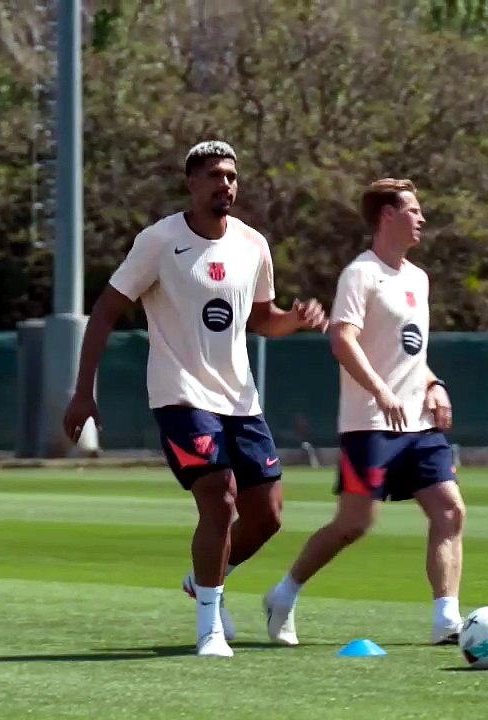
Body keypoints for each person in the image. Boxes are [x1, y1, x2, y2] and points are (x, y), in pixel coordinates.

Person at [62, 140, 328, 658]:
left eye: (231, 175)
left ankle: (204, 578)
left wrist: (294, 321)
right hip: (180, 395)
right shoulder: (160, 240)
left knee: (268, 516)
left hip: (240, 400)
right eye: (213, 175)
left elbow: (261, 318)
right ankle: (210, 626)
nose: (224, 184)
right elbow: (106, 309)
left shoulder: (253, 245)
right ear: (191, 183)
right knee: (219, 494)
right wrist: (82, 391)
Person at [261, 178, 466, 647]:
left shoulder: (419, 278)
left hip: (419, 423)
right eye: (413, 210)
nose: (422, 219)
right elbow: (341, 338)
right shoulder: (360, 274)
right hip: (371, 424)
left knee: (451, 511)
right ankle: (284, 593)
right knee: (355, 523)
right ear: (387, 217)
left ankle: (446, 621)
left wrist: (434, 384)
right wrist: (381, 391)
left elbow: (409, 355)